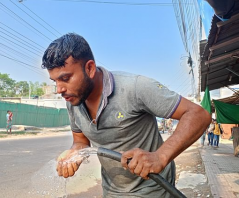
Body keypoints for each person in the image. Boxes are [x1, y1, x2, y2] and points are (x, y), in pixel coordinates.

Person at [42, 33, 211, 197]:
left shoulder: (135, 87)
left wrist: (160, 156)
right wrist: (74, 152)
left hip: (154, 190)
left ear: (90, 68)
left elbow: (198, 115)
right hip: (112, 191)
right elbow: (80, 141)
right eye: (55, 81)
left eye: (65, 78)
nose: (59, 89)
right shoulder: (74, 101)